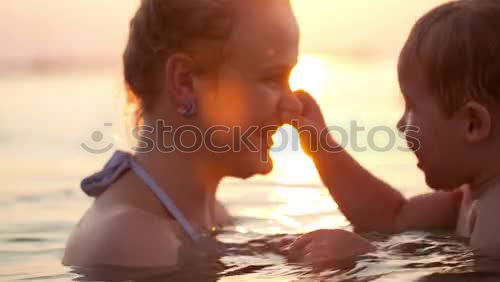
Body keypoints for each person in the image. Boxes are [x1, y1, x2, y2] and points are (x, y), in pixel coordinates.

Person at [63, 0, 304, 268]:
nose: (294, 104)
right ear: (185, 82)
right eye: (271, 78)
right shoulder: (130, 240)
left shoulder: (216, 217)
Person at [288, 0, 500, 266]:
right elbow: (390, 216)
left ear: (472, 124)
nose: (400, 124)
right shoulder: (466, 197)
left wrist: (373, 260)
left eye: (411, 107)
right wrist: (320, 144)